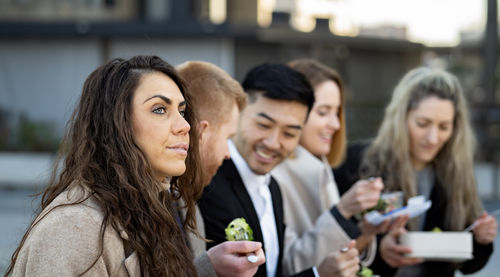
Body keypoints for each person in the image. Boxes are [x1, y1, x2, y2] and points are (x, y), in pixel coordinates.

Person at [5, 55, 203, 277]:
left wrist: (209, 268)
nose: (184, 125)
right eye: (159, 109)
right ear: (117, 124)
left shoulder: (153, 207)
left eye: (182, 111)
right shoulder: (74, 230)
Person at [198, 63, 360, 277]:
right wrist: (317, 275)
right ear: (239, 112)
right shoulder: (208, 185)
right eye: (264, 126)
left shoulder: (273, 188)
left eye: (289, 134)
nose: (274, 143)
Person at [334, 66, 498, 276]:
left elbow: (467, 265)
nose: (432, 138)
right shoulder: (357, 163)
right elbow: (330, 243)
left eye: (444, 127)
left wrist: (481, 240)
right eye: (422, 123)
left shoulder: (455, 175)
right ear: (401, 118)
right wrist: (377, 251)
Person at [271, 59, 385, 275]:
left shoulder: (321, 167)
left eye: (337, 112)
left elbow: (334, 261)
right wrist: (343, 211)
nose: (336, 124)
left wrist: (366, 232)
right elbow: (291, 266)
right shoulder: (274, 175)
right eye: (323, 112)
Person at [176, 60, 265, 277]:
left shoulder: (188, 207)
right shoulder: (129, 208)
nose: (228, 153)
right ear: (202, 133)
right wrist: (209, 268)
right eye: (227, 138)